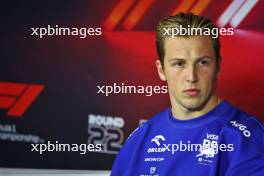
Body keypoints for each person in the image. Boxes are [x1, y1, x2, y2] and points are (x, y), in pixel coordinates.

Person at [111, 12, 264, 176]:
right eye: (179, 64)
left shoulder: (247, 139)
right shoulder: (140, 138)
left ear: (218, 66)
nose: (191, 77)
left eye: (202, 62)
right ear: (161, 70)